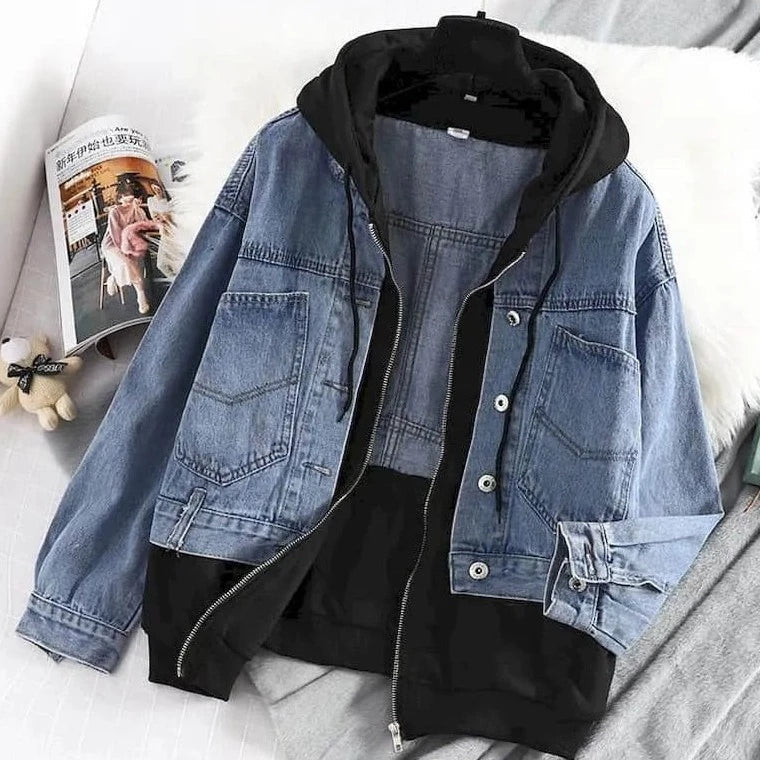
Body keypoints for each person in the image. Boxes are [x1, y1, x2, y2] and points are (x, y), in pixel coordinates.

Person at [100, 177, 153, 314]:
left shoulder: (136, 208)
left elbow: (144, 224)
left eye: (131, 195)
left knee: (133, 261)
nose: (128, 198)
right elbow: (116, 234)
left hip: (130, 242)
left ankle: (116, 278)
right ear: (120, 198)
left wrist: (138, 209)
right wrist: (126, 249)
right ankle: (140, 295)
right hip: (112, 244)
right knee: (127, 262)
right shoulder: (115, 212)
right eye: (125, 195)